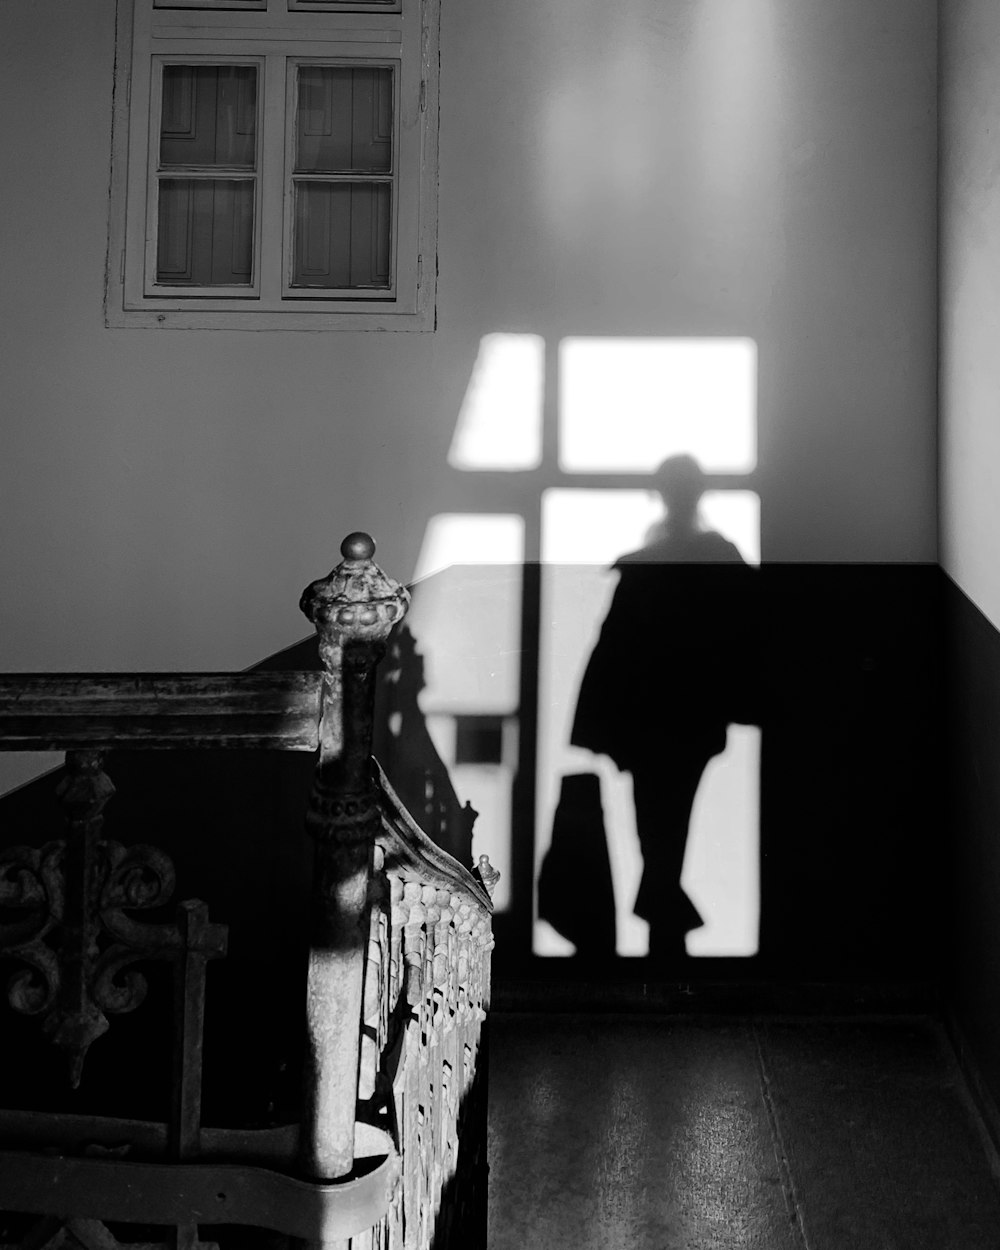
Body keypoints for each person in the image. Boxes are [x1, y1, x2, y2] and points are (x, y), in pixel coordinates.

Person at [570, 454, 759, 958]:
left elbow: (612, 647)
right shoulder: (716, 556)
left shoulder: (649, 562)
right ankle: (667, 925)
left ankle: (665, 924)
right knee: (665, 829)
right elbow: (748, 634)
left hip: (646, 722)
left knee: (655, 829)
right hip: (691, 719)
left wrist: (597, 724)